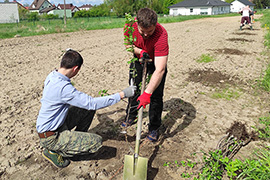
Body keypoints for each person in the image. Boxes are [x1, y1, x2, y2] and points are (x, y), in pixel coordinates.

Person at [36, 49, 136, 168]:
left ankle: (76, 140)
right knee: (96, 142)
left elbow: (87, 105)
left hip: (56, 125)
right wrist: (122, 94)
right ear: (75, 69)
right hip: (52, 137)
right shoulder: (63, 88)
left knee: (86, 109)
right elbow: (92, 103)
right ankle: (54, 151)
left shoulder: (53, 75)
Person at [121, 8, 169, 142]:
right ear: (137, 24)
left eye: (150, 31)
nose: (146, 35)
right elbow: (128, 44)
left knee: (156, 95)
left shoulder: (161, 34)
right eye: (143, 32)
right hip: (138, 60)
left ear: (155, 25)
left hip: (155, 62)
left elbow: (160, 69)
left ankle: (153, 127)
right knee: (133, 89)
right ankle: (131, 116)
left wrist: (147, 93)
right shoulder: (129, 26)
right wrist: (140, 51)